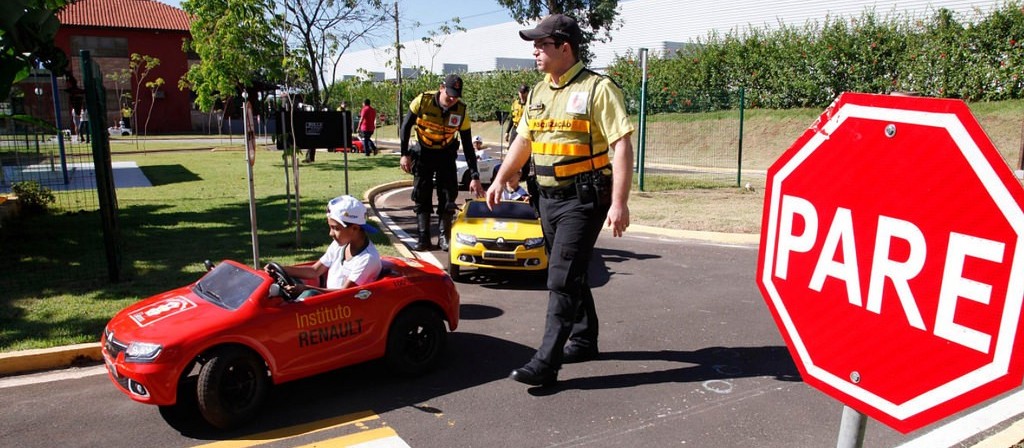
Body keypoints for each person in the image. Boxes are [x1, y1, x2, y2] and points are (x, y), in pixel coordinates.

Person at [486, 14, 635, 387]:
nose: (534, 51)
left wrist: (620, 202)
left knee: (561, 277)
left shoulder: (598, 89)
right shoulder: (537, 92)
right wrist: (502, 176)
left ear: (564, 47)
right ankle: (584, 338)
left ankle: (546, 361)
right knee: (571, 270)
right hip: (546, 197)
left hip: (584, 198)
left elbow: (621, 145)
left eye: (541, 44)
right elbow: (524, 141)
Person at [399, 74, 484, 251]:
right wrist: (404, 154)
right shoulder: (423, 101)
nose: (452, 99)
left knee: (448, 195)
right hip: (423, 152)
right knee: (422, 193)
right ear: (441, 88)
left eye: (456, 96)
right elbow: (406, 127)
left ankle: (444, 237)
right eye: (449, 95)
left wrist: (474, 176)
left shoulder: (461, 110)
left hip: (446, 153)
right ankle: (423, 238)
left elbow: (468, 146)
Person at [267, 195, 382, 299]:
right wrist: (281, 270)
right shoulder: (339, 245)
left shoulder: (367, 259)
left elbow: (345, 293)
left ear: (355, 228)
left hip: (342, 307)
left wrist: (307, 289)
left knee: (309, 295)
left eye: (336, 228)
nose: (330, 234)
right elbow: (315, 271)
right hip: (328, 302)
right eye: (330, 227)